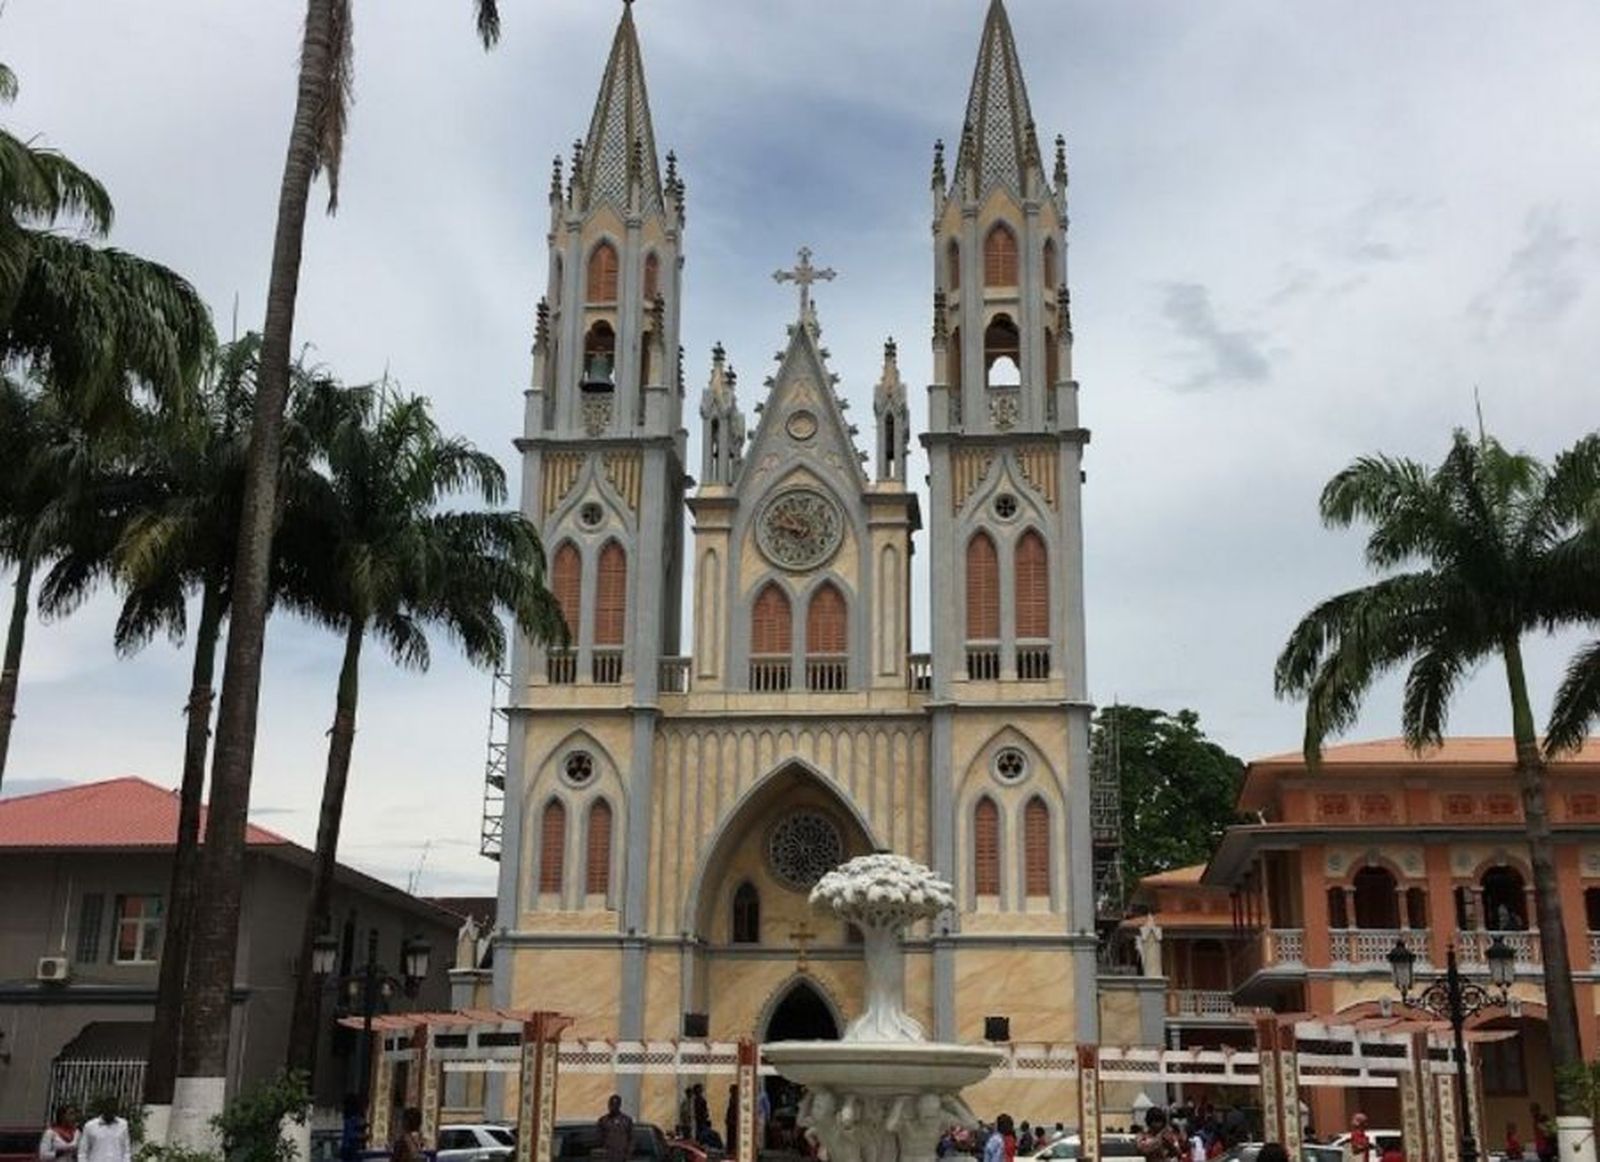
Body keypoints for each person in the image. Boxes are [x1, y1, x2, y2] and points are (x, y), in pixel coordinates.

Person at [599, 1094, 634, 1162]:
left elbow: (632, 1138)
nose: (612, 1107)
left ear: (619, 1105)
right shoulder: (603, 1120)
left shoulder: (626, 1120)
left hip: (622, 1156)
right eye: (611, 1104)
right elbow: (599, 1139)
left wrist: (628, 1155)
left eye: (615, 1104)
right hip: (608, 1156)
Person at [725, 1085, 739, 1158]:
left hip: (733, 1122)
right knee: (731, 1137)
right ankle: (731, 1150)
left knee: (733, 1137)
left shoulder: (736, 1099)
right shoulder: (732, 1098)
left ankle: (733, 1151)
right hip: (731, 1121)